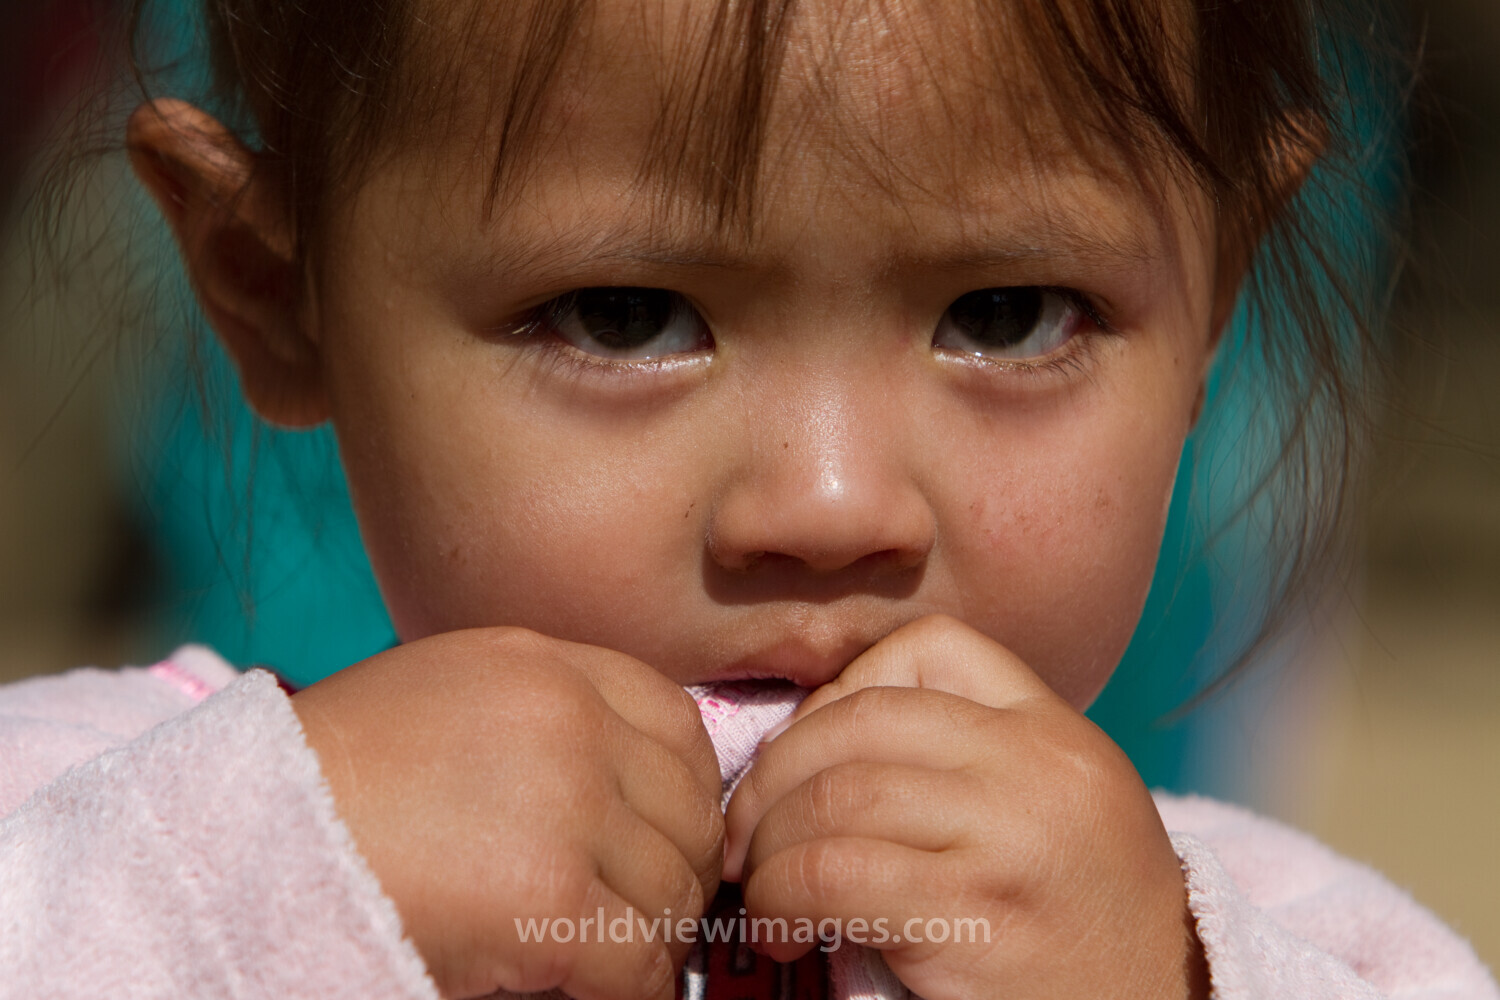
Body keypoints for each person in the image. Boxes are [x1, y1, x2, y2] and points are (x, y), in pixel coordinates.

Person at [1, 0, 1495, 998]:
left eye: (1007, 314)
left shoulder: (1269, 940)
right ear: (277, 293)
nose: (830, 506)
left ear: (1215, 297)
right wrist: (268, 890)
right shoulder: (100, 832)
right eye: (626, 317)